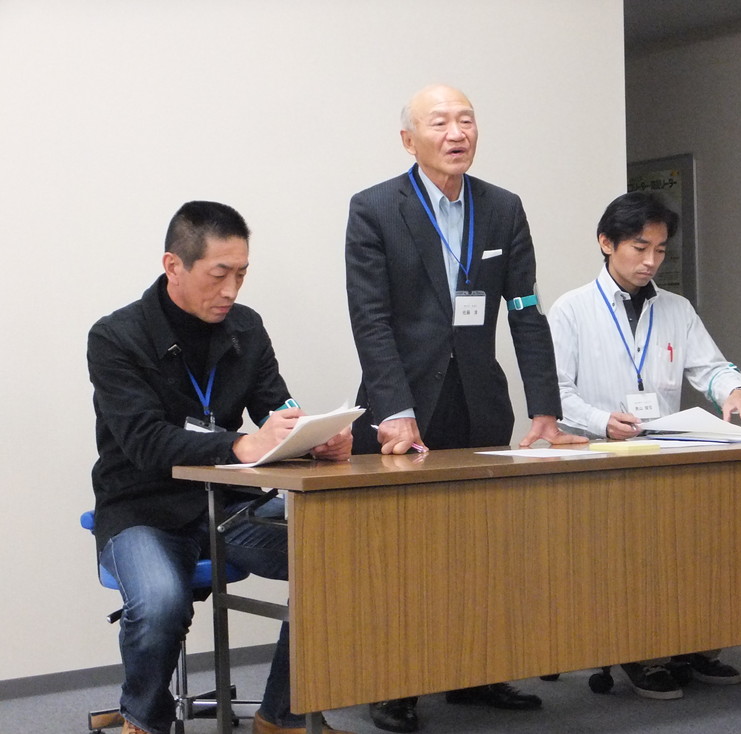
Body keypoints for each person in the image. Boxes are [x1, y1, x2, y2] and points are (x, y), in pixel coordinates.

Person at [344, 84, 586, 733]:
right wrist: (392, 408)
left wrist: (544, 408)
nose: (456, 133)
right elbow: (370, 318)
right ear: (409, 140)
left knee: (480, 546)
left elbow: (525, 309)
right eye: (440, 123)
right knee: (402, 554)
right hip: (403, 409)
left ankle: (476, 671)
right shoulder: (374, 209)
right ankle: (392, 683)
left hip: (480, 403)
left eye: (466, 120)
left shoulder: (502, 208)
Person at [87, 201, 355, 734]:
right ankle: (144, 718)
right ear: (174, 266)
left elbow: (276, 407)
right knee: (161, 603)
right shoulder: (116, 336)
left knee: (337, 560)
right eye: (219, 274)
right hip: (144, 509)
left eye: (242, 274)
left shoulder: (246, 327)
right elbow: (144, 442)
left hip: (229, 506)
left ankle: (283, 716)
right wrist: (240, 446)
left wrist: (311, 437)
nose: (232, 290)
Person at [548, 190, 741, 700]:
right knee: (633, 559)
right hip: (600, 459)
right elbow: (555, 394)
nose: (651, 261)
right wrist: (602, 421)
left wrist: (735, 389)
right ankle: (639, 652)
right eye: (639, 248)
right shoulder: (571, 310)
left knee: (695, 550)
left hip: (664, 453)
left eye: (660, 250)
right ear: (606, 243)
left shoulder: (676, 308)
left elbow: (711, 367)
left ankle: (694, 646)